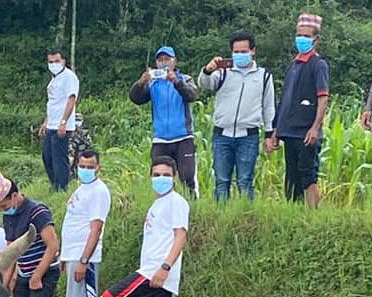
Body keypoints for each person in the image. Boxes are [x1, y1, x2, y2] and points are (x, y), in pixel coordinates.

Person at [93, 156, 187, 297]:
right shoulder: (158, 204)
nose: (161, 179)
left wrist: (164, 267)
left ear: (174, 177)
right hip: (158, 272)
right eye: (156, 175)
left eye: (166, 175)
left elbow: (180, 236)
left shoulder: (176, 202)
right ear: (150, 177)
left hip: (155, 271)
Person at [199, 30, 275, 201]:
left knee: (245, 182)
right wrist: (208, 70)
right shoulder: (223, 72)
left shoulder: (263, 76)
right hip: (222, 135)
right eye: (236, 52)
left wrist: (269, 134)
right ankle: (221, 217)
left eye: (243, 51)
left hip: (248, 136)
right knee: (221, 181)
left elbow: (268, 107)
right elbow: (205, 84)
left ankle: (245, 217)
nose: (239, 55)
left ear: (253, 51)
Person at [267, 13, 329, 207]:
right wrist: (277, 128)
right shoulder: (293, 65)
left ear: (315, 39)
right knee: (291, 177)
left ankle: (313, 216)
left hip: (306, 131)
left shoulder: (318, 65)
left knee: (308, 175)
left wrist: (315, 127)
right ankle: (294, 214)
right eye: (298, 34)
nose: (300, 39)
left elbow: (323, 97)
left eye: (305, 35)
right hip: (289, 130)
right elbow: (285, 99)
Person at [59, 150, 110, 297]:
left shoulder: (98, 192)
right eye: (83, 166)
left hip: (84, 257)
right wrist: (65, 255)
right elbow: (73, 222)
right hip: (73, 254)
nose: (86, 170)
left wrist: (83, 260)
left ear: (98, 168)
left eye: (90, 167)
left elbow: (95, 228)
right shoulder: (81, 189)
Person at [129, 46, 199, 197]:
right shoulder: (153, 82)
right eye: (160, 60)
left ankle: (192, 209)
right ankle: (161, 210)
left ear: (174, 62)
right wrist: (141, 83)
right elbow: (136, 98)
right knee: (160, 178)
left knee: (187, 178)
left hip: (183, 137)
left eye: (167, 59)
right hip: (160, 138)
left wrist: (176, 82)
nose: (164, 63)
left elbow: (192, 95)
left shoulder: (185, 79)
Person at [39, 48, 80, 192]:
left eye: (57, 61)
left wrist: (63, 122)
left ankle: (62, 187)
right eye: (50, 62)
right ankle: (54, 184)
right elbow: (53, 102)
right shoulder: (54, 79)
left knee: (59, 159)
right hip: (52, 123)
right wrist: (46, 121)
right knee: (47, 157)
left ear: (63, 61)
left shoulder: (69, 77)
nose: (54, 64)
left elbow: (71, 99)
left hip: (62, 125)